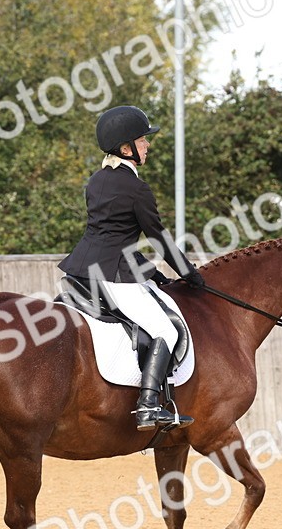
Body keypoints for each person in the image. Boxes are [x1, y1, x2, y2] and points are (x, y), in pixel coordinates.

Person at [58, 105, 205, 431]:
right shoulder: (137, 189)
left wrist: (153, 274)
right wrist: (190, 274)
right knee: (167, 330)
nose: (147, 145)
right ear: (127, 148)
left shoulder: (96, 181)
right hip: (112, 276)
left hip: (82, 269)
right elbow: (159, 239)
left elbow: (113, 237)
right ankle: (148, 406)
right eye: (142, 140)